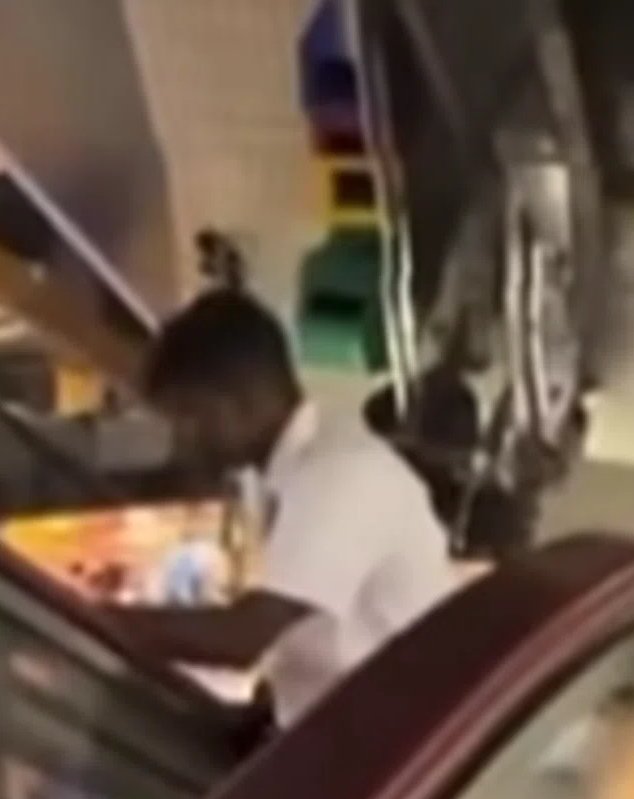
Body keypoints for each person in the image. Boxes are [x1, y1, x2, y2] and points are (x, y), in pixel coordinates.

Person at [113, 289, 456, 737]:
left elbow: (245, 636)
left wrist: (89, 618)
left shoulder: (340, 474)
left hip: (404, 747)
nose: (184, 441)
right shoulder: (274, 480)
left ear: (245, 398)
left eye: (191, 415)